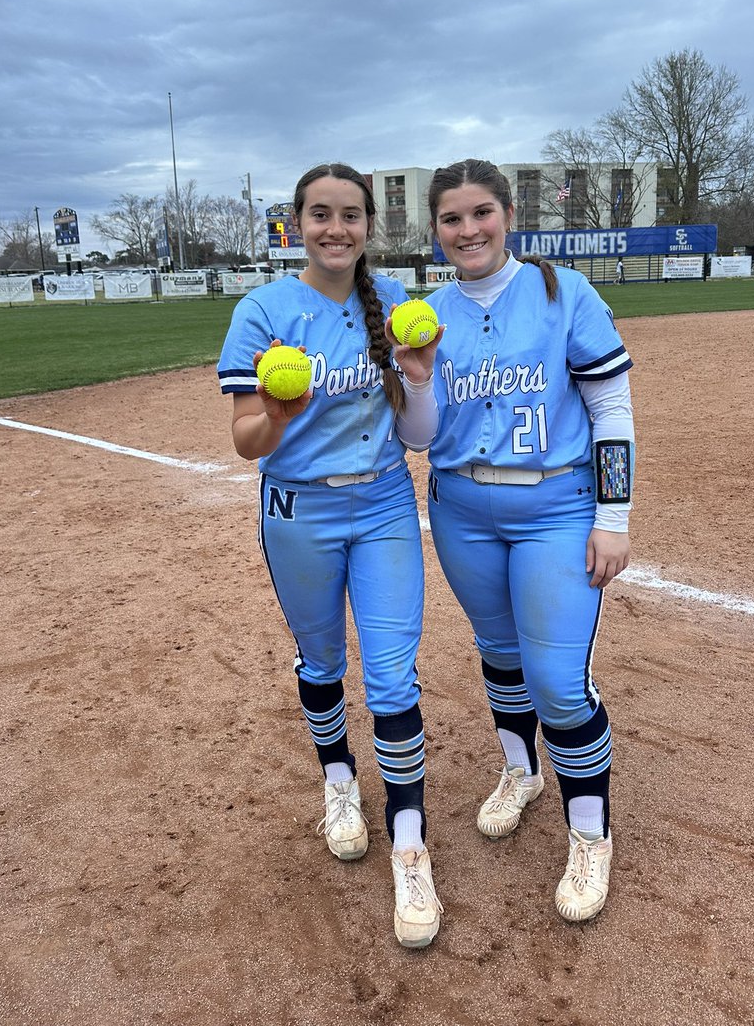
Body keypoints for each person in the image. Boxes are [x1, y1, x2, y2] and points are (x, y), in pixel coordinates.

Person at [217, 163, 444, 948]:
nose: (335, 228)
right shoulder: (264, 310)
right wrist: (278, 414)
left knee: (390, 672)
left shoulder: (396, 312)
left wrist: (416, 379)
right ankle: (340, 782)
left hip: (383, 503)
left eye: (351, 216)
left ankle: (409, 843)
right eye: (320, 214)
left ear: (369, 227)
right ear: (295, 224)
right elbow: (248, 444)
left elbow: (419, 435)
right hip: (297, 510)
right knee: (320, 662)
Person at [423, 159, 635, 924]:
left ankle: (591, 832)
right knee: (500, 655)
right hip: (459, 509)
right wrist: (411, 377)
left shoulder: (562, 291)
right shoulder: (428, 314)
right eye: (452, 218)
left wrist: (613, 517)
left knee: (556, 680)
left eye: (481, 212)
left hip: (555, 509)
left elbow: (610, 406)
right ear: (436, 228)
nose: (469, 229)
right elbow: (420, 432)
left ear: (507, 215)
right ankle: (521, 772)